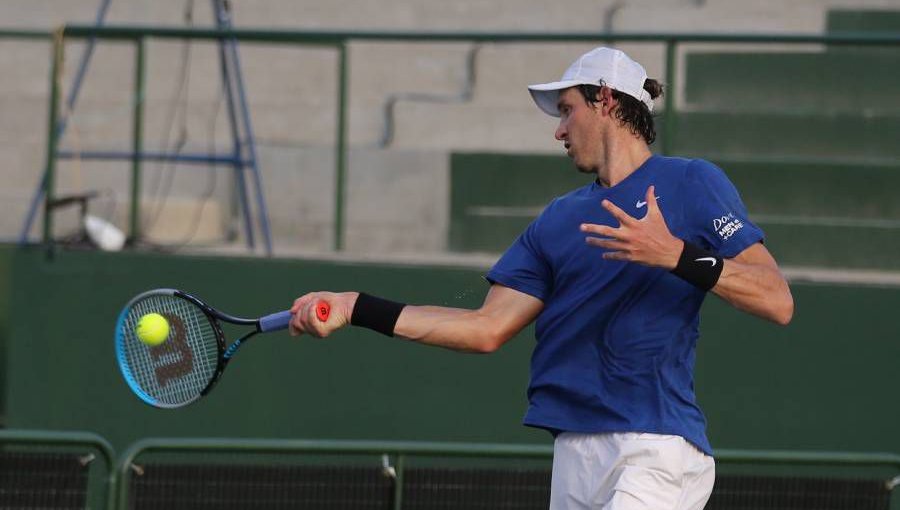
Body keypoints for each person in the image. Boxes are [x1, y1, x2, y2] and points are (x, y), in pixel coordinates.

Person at [288, 47, 793, 510]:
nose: (558, 130)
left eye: (567, 109)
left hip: (654, 448)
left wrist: (677, 255)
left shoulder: (692, 181)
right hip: (573, 453)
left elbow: (776, 299)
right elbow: (486, 329)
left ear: (607, 100)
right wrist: (358, 306)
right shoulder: (555, 220)